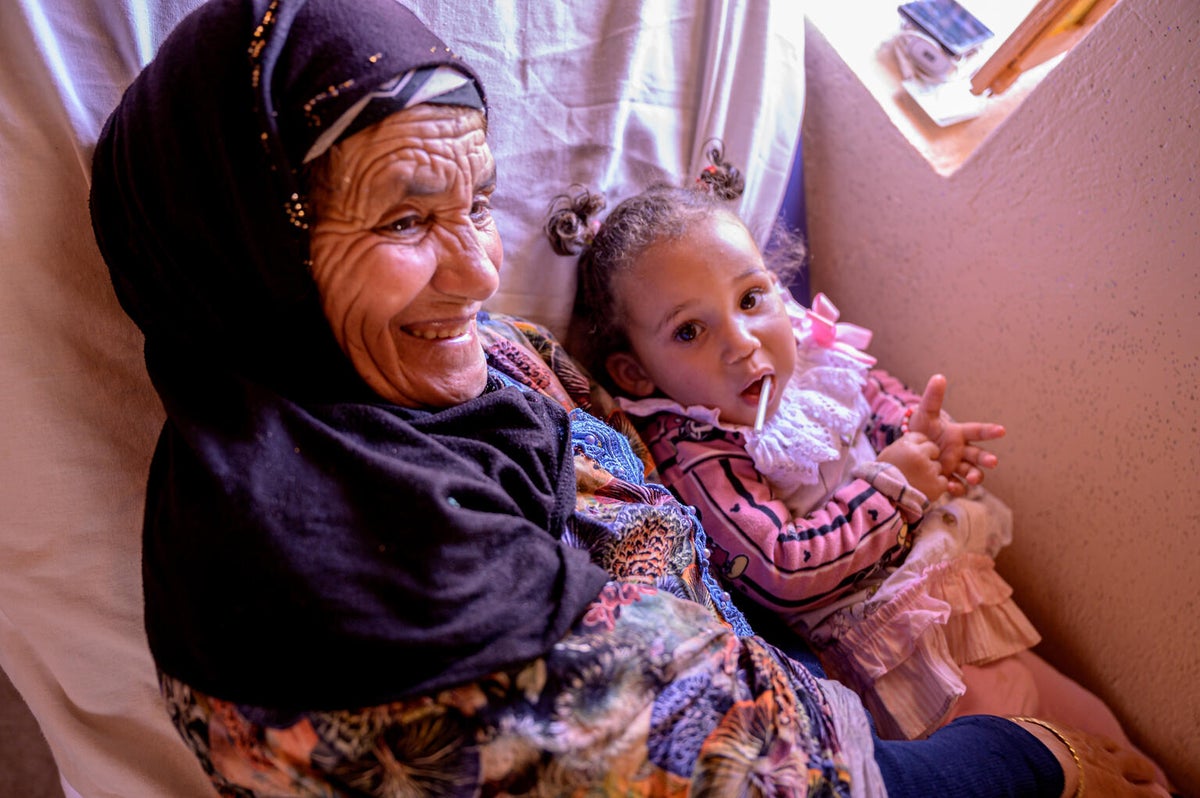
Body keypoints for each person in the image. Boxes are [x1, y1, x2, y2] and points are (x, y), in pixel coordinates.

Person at [87, 0, 1167, 795]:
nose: (478, 272)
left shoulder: (454, 361)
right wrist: (1031, 762)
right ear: (242, 250)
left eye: (480, 204)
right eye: (406, 222)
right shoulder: (368, 620)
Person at [552, 154, 1172, 780]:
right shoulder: (696, 447)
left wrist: (924, 436)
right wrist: (894, 486)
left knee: (1094, 728)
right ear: (635, 372)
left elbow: (877, 401)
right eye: (690, 331)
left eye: (750, 298)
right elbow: (781, 568)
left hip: (955, 598)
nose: (742, 341)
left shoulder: (811, 357)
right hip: (897, 654)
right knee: (1027, 743)